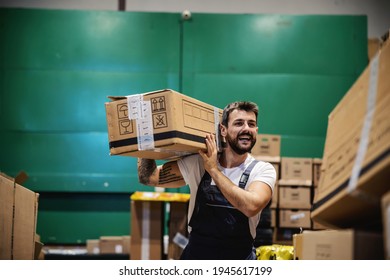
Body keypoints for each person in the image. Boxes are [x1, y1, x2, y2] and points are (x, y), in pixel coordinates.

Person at [137, 101, 276, 260]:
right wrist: (145, 136)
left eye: (251, 124)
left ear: (256, 130)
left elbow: (251, 206)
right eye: (239, 123)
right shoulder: (198, 162)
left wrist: (213, 170)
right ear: (223, 130)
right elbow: (149, 177)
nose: (246, 128)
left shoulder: (262, 170)